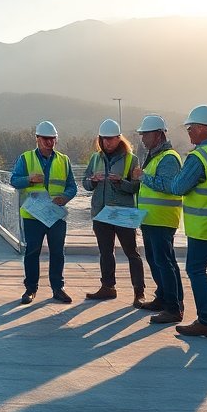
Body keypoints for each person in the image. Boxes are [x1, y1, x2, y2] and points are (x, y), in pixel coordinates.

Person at [142, 105, 207, 339]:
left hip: (205, 225)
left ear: (200, 129)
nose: (188, 132)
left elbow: (177, 187)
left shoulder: (199, 157)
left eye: (190, 128)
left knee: (196, 270)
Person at [10, 121, 77, 304]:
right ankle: (30, 289)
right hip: (33, 215)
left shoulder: (64, 160)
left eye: (52, 139)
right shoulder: (25, 158)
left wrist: (65, 197)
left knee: (57, 252)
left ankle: (58, 288)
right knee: (32, 251)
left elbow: (72, 186)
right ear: (37, 139)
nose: (49, 142)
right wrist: (29, 179)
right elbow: (14, 180)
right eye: (46, 139)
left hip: (55, 214)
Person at [83, 119, 147, 307]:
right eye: (104, 139)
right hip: (101, 213)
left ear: (119, 138)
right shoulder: (96, 158)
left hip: (123, 213)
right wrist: (93, 181)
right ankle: (108, 287)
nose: (107, 143)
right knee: (105, 252)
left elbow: (136, 187)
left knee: (131, 253)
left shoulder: (131, 159)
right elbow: (85, 182)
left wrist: (121, 183)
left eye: (111, 139)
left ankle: (139, 292)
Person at [135, 115, 185, 324]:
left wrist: (143, 176)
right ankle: (163, 298)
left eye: (145, 134)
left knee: (165, 262)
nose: (143, 139)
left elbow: (168, 185)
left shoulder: (169, 158)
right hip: (151, 219)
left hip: (162, 220)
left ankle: (173, 308)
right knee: (158, 261)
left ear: (158, 135)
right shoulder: (155, 157)